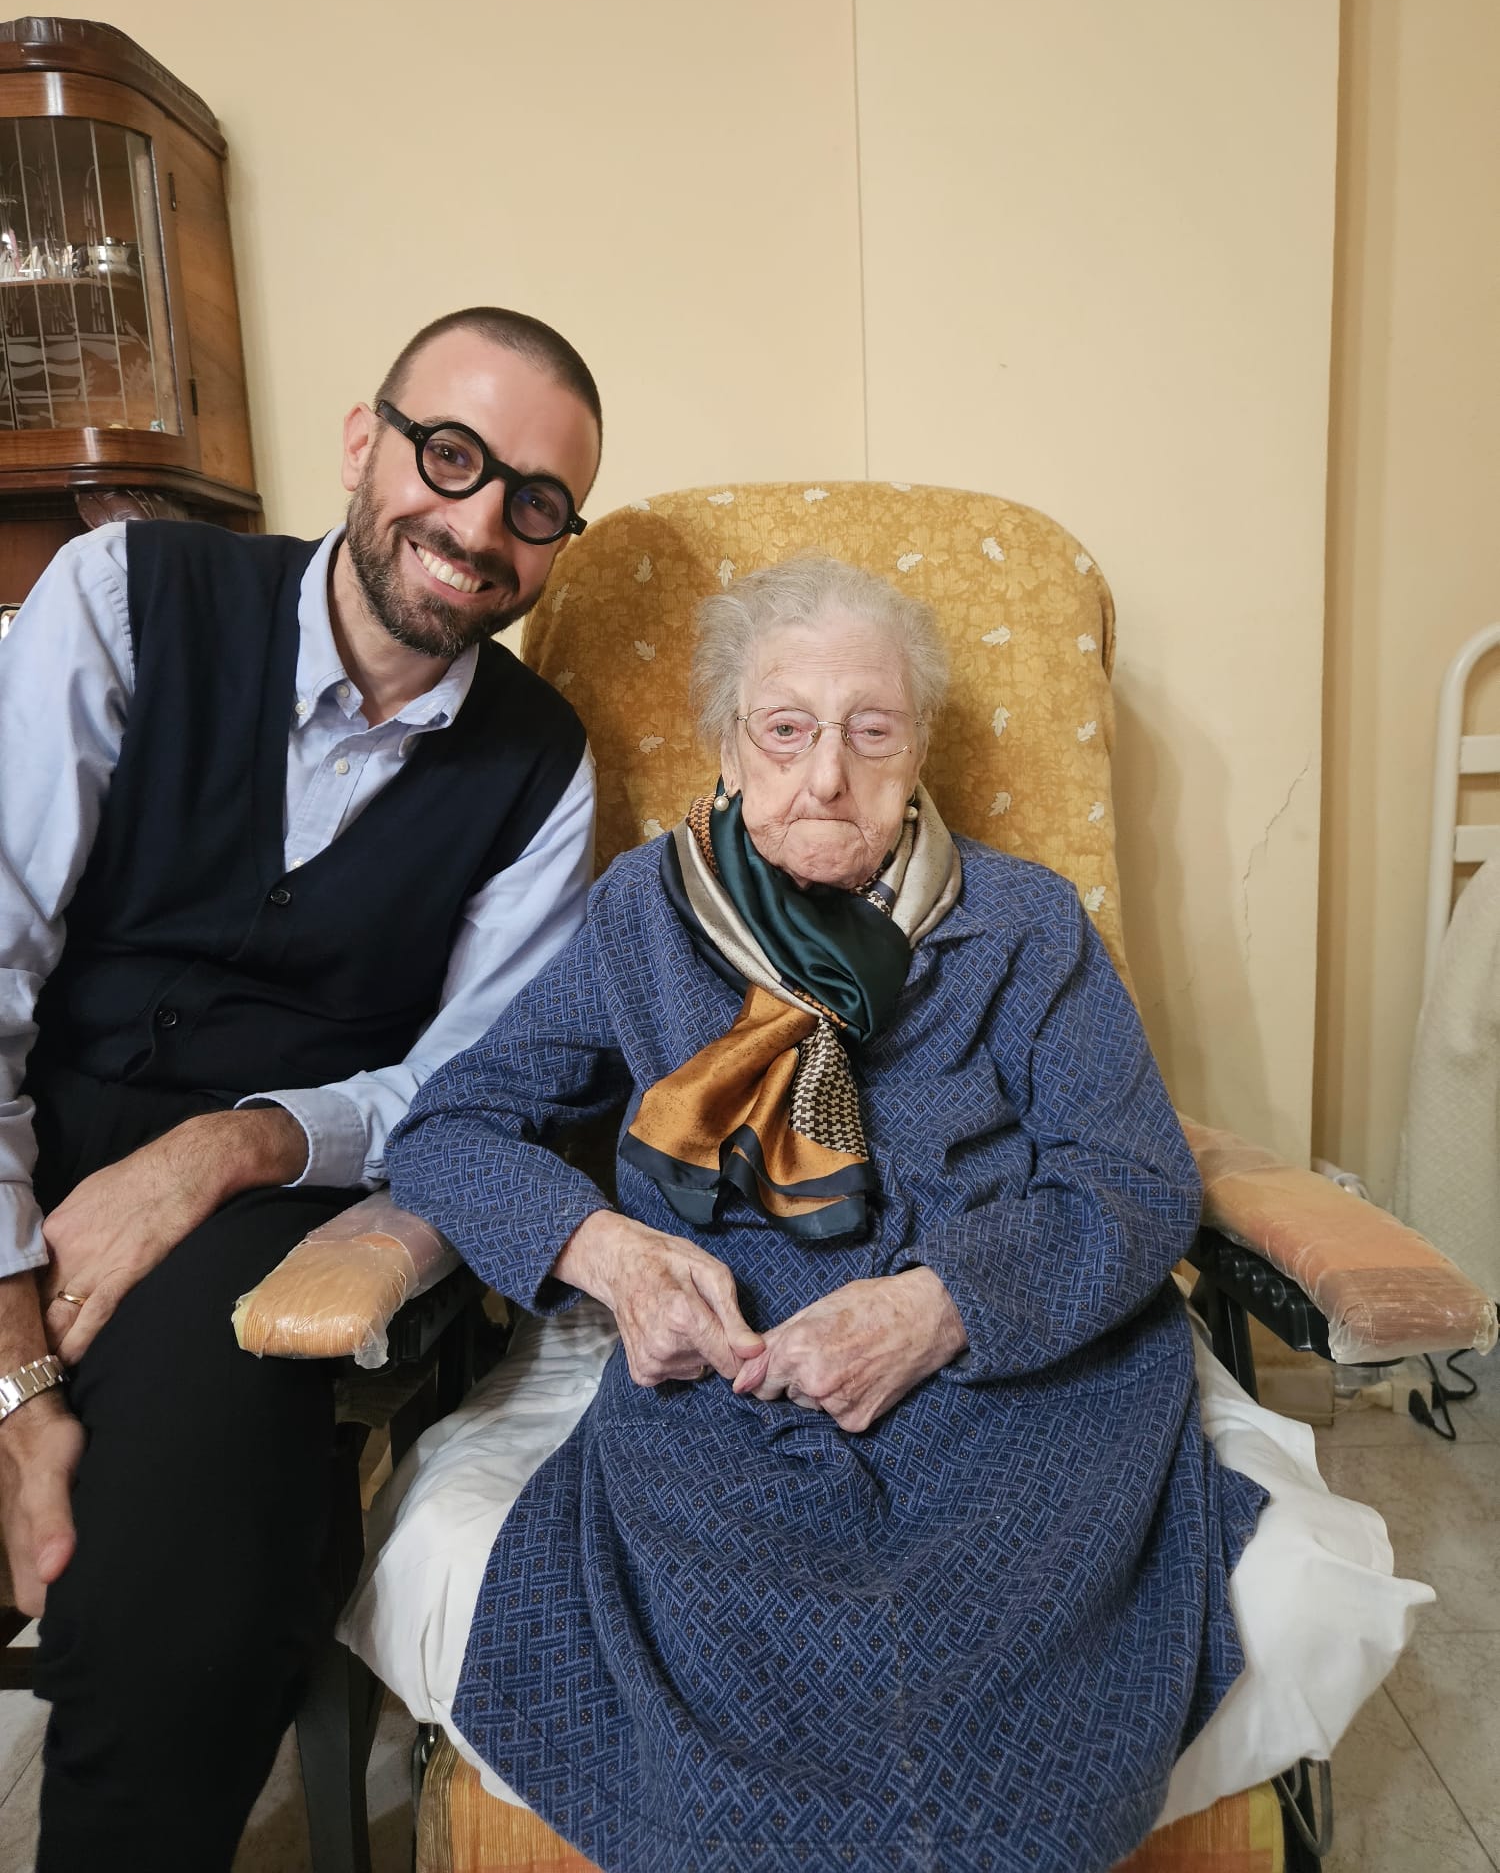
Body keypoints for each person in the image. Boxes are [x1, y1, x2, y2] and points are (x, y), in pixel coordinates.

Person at [376, 555, 1271, 1873]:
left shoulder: (1023, 926)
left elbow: (1133, 1183)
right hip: (727, 1384)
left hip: (1010, 1374)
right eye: (785, 730)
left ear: (918, 756)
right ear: (728, 751)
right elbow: (449, 1128)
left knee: (1029, 1739)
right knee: (720, 1736)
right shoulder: (643, 917)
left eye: (871, 732)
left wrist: (942, 1304)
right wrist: (610, 1254)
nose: (827, 776)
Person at [0, 304, 603, 1870]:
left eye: (535, 504)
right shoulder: (126, 595)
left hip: (276, 1201)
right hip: (23, 1125)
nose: (479, 525)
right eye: (451, 455)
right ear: (364, 440)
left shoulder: (546, 768)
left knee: (187, 1547)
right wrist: (15, 1352)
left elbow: (477, 1082)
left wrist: (223, 1150)